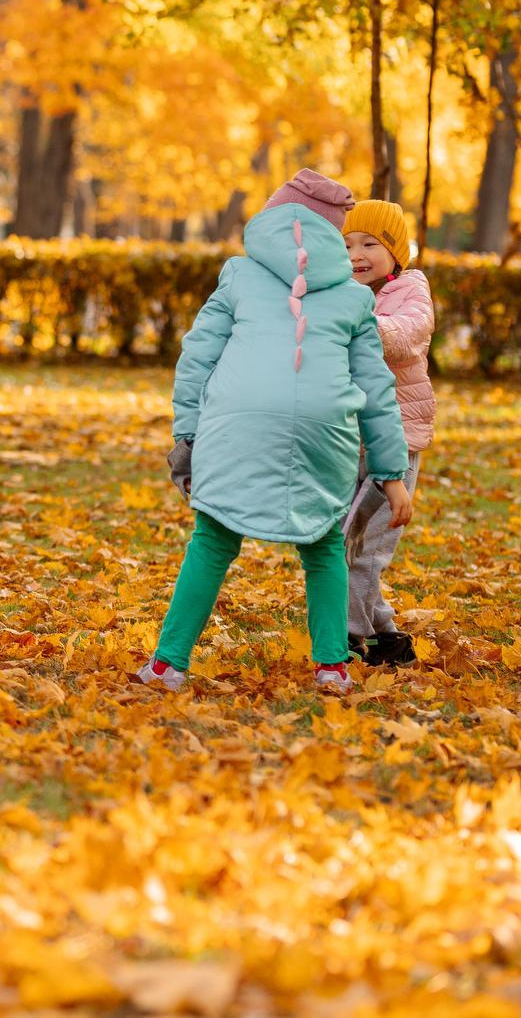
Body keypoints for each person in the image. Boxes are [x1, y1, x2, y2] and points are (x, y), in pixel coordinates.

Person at [141, 169, 412, 694]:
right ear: (334, 235)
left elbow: (196, 358)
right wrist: (390, 472)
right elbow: (376, 390)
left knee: (213, 539)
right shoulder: (356, 299)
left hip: (236, 423)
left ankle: (167, 663)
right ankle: (332, 667)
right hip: (324, 432)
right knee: (324, 545)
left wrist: (188, 436)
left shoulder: (239, 276)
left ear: (270, 218)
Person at [341, 199, 434, 666]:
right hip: (349, 439)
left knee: (365, 548)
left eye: (369, 243)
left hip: (396, 442)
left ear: (397, 251)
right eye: (347, 244)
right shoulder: (342, 291)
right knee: (348, 540)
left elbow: (406, 335)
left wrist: (359, 323)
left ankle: (351, 637)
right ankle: (385, 635)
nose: (356, 253)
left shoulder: (411, 291)